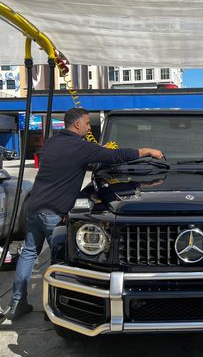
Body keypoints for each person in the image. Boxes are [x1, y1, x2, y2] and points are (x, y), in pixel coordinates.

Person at [1, 107, 164, 321]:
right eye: (87, 124)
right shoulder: (81, 147)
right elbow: (116, 156)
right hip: (53, 213)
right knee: (61, 261)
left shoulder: (52, 143)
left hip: (34, 207)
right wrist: (147, 151)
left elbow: (81, 161)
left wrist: (98, 153)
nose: (89, 127)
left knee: (29, 253)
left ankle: (16, 303)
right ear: (77, 124)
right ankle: (54, 308)